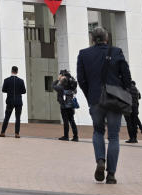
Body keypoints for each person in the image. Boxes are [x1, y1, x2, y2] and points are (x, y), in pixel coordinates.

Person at [76, 27, 131, 184]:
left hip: (95, 99)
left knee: (98, 132)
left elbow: (81, 79)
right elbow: (127, 76)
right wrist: (124, 93)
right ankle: (111, 174)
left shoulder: (84, 54)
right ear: (107, 38)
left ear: (93, 39)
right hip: (114, 98)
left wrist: (90, 95)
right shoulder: (117, 52)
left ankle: (100, 160)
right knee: (114, 136)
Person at [0, 65, 26, 138]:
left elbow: (3, 90)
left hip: (10, 101)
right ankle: (17, 134)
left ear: (11, 71)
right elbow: (24, 91)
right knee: (18, 118)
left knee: (7, 117)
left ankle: (3, 132)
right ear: (17, 72)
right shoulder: (21, 81)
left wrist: (9, 90)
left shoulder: (6, 80)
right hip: (18, 102)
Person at [55, 71, 79, 141]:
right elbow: (75, 92)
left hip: (64, 105)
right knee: (72, 120)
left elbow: (56, 87)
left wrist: (58, 80)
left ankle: (66, 136)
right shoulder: (72, 82)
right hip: (71, 105)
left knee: (65, 121)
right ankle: (75, 136)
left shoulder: (63, 82)